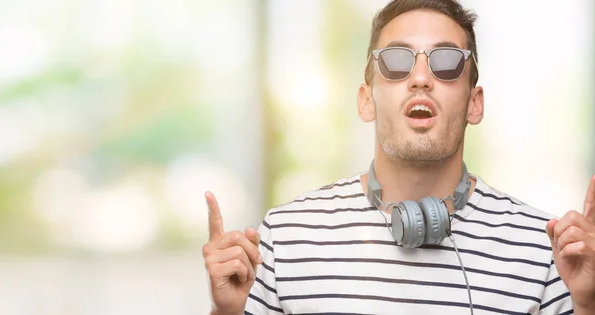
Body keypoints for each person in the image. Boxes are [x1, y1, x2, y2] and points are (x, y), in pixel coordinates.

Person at [202, 0, 595, 314]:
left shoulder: (544, 250)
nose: (420, 78)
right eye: (395, 61)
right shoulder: (285, 238)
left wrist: (589, 305)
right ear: (365, 100)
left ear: (475, 104)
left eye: (445, 61)